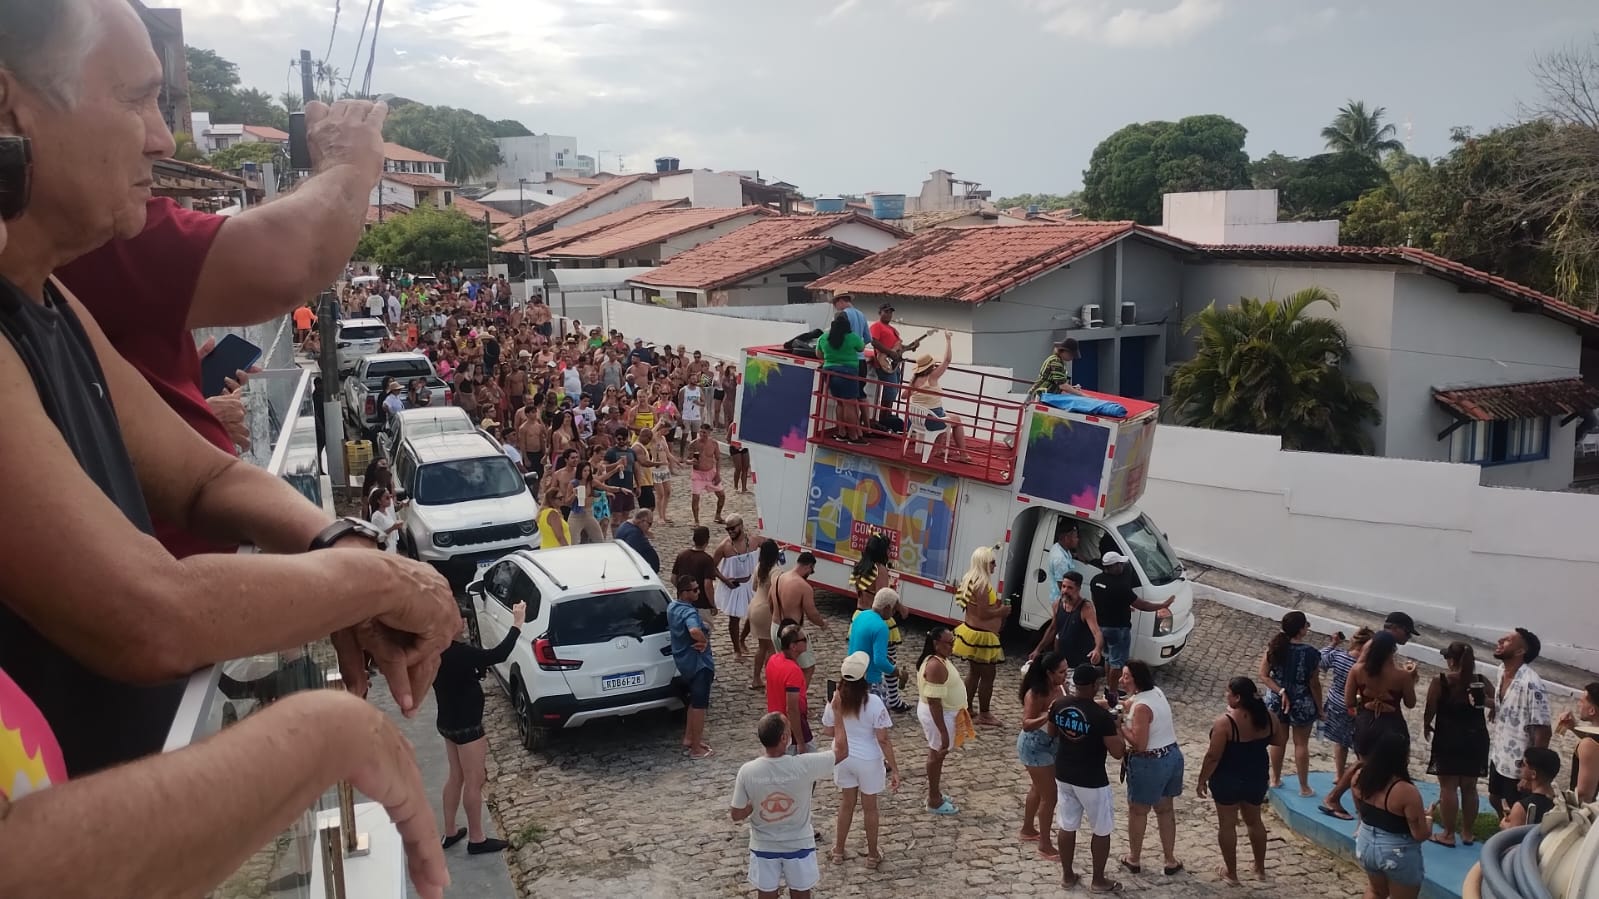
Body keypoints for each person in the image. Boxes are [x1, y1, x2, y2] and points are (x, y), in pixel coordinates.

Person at [0, 1, 458, 777]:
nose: (161, 137)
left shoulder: (49, 295)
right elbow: (148, 613)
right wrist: (374, 581)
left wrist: (337, 544)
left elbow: (202, 477)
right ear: (10, 110)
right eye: (135, 99)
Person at [432, 602, 526, 855]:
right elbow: (498, 655)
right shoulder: (462, 653)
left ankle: (450, 831)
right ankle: (477, 838)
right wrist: (517, 624)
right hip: (468, 726)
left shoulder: (435, 650)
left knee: (456, 776)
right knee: (475, 780)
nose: (464, 622)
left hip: (447, 722)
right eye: (460, 619)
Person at [729, 711, 850, 899]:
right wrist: (839, 713)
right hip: (799, 844)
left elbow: (736, 814)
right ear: (784, 738)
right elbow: (842, 751)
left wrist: (753, 804)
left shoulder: (747, 771)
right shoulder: (804, 766)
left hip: (764, 846)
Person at [1196, 677, 1284, 886]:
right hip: (1256, 776)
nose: (1225, 695)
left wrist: (1202, 780)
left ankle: (1232, 873)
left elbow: (1213, 756)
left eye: (1228, 692)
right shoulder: (1269, 718)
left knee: (1227, 825)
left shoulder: (1225, 723)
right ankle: (1260, 869)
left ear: (1237, 698)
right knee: (1255, 821)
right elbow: (1279, 740)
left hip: (1227, 779)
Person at [1048, 663, 1126, 893]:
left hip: (1064, 772)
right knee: (1101, 829)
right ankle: (1098, 880)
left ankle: (1067, 875)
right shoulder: (1101, 717)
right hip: (1092, 778)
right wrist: (1117, 727)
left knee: (1067, 825)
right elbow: (1118, 752)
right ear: (1094, 686)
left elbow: (1052, 732)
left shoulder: (1059, 705)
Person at [823, 651, 898, 869]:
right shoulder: (873, 702)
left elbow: (828, 730)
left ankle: (838, 851)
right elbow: (883, 739)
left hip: (843, 757)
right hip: (868, 760)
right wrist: (895, 769)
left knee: (846, 804)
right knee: (870, 808)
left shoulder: (835, 700)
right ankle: (872, 855)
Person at [1117, 660, 1183, 877]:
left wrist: (1119, 726)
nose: (1121, 680)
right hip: (1171, 756)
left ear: (1136, 679)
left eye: (1126, 676)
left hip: (1149, 763)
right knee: (1165, 809)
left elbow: (1139, 744)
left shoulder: (1142, 708)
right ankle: (1170, 859)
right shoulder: (1155, 693)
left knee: (1138, 811)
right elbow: (1127, 703)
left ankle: (1134, 858)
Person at [1424, 641, 1493, 847]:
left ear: (1452, 661)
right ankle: (1467, 832)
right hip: (1476, 737)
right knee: (1470, 788)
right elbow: (1498, 700)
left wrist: (1426, 724)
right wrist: (1489, 706)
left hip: (1449, 737)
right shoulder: (1480, 680)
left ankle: (1448, 833)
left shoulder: (1441, 681)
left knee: (1448, 787)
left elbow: (1430, 707)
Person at [1351, 732, 1430, 899]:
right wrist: (1429, 819)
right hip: (1396, 850)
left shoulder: (1360, 777)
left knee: (1375, 891)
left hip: (1365, 842)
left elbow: (1360, 809)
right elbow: (1420, 834)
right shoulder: (1406, 790)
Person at [1090, 551, 1173, 706]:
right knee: (1117, 663)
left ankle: (1109, 687)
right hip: (1119, 629)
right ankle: (1112, 695)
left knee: (1108, 658)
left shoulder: (1096, 581)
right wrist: (1162, 605)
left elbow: (1098, 601)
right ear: (1113, 566)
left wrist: (1121, 606)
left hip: (1103, 627)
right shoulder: (1120, 587)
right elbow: (1143, 605)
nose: (1122, 567)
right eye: (1119, 564)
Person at [1488, 627, 1551, 818]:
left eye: (1508, 640)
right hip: (1500, 755)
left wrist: (1531, 772)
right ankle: (1504, 825)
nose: (1500, 640)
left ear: (1520, 651)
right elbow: (1508, 704)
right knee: (1494, 797)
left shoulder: (1532, 685)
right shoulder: (1502, 671)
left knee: (1517, 809)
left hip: (1519, 764)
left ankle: (1513, 833)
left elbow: (1543, 731)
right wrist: (1490, 704)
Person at [1259, 610, 1322, 798]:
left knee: (1279, 741)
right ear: (1301, 629)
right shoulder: (1311, 653)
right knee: (1301, 744)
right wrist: (1320, 708)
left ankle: (1275, 779)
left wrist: (1280, 691)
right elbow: (1314, 683)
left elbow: (1264, 675)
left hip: (1277, 701)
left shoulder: (1275, 647)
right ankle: (1304, 787)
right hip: (1302, 702)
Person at [849, 534, 909, 711]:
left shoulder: (860, 567)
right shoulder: (880, 569)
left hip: (860, 614)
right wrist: (900, 607)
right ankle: (893, 699)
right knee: (888, 657)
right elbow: (884, 596)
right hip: (877, 616)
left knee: (861, 654)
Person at [1317, 626, 1372, 817]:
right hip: (1357, 708)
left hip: (1335, 702)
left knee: (1340, 742)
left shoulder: (1339, 656)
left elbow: (1321, 660)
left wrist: (1332, 644)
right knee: (1359, 745)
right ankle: (1356, 778)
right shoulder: (1367, 666)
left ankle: (1339, 774)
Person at [1017, 651, 1067, 861]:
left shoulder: (1061, 688)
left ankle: (1028, 828)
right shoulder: (1035, 694)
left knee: (1038, 788)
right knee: (1050, 796)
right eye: (1061, 672)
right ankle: (1044, 844)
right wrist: (1048, 715)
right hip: (1035, 746)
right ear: (1049, 673)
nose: (1065, 675)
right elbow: (1026, 724)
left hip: (1052, 743)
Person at [917, 626, 970, 815]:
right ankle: (933, 799)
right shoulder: (935, 666)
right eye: (948, 643)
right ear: (936, 644)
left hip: (945, 713)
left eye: (953, 642)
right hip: (939, 716)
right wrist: (943, 732)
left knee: (938, 754)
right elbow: (934, 702)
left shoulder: (940, 660)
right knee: (937, 754)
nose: (952, 646)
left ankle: (936, 793)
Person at [952, 545, 1007, 727]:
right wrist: (1002, 611)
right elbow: (983, 613)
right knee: (988, 675)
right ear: (983, 563)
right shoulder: (982, 585)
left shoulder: (970, 579)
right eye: (992, 562)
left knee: (974, 673)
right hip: (982, 636)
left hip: (972, 632)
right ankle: (984, 713)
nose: (995, 565)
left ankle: (967, 708)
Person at [904, 332, 975, 462]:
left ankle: (940, 449)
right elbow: (947, 360)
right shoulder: (932, 377)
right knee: (956, 420)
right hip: (930, 421)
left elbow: (904, 396)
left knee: (942, 414)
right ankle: (963, 455)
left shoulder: (914, 381)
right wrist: (948, 340)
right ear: (930, 366)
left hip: (915, 420)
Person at [667, 575, 715, 760]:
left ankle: (689, 738)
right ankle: (696, 748)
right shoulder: (689, 612)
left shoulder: (672, 607)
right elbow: (694, 630)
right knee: (700, 706)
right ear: (684, 593)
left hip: (684, 663)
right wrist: (704, 640)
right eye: (695, 590)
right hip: (698, 664)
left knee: (693, 702)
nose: (698, 592)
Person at [771, 551, 829, 689]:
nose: (810, 573)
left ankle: (782, 693)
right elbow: (812, 613)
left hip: (775, 627)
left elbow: (770, 602)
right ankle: (798, 697)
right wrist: (822, 624)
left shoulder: (778, 578)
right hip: (792, 633)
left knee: (784, 665)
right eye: (811, 571)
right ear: (808, 566)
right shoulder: (804, 587)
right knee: (808, 668)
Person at [1031, 571, 1103, 669]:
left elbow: (1096, 632)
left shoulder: (1086, 608)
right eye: (1063, 586)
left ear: (1078, 589)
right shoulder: (1057, 604)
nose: (1065, 591)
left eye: (1070, 588)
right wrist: (1038, 650)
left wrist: (1097, 649)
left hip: (1080, 661)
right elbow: (1053, 629)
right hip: (1063, 660)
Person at [712, 515, 759, 660]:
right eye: (727, 529)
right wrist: (725, 580)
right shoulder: (724, 546)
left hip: (750, 583)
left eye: (732, 528)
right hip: (734, 586)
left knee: (753, 615)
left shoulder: (753, 541)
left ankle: (742, 639)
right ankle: (736, 649)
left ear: (741, 525)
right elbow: (711, 567)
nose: (730, 531)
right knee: (734, 618)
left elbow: (769, 546)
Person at [847, 587, 901, 710]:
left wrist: (884, 655)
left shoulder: (860, 616)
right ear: (887, 608)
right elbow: (879, 662)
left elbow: (862, 644)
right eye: (894, 610)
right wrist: (896, 672)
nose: (894, 614)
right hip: (870, 679)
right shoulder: (881, 627)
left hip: (853, 673)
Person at [818, 312, 867, 443]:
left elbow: (819, 354)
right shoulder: (852, 337)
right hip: (847, 373)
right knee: (849, 405)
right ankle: (853, 437)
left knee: (840, 403)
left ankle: (841, 433)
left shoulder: (823, 337)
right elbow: (861, 348)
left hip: (829, 372)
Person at [765, 625, 813, 753]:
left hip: (775, 724)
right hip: (791, 729)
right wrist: (800, 742)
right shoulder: (793, 670)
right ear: (793, 646)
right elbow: (792, 709)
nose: (807, 641)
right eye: (804, 639)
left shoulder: (773, 660)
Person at [745, 539, 782, 690]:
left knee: (762, 647)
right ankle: (770, 681)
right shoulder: (776, 571)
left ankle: (756, 678)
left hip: (754, 605)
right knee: (772, 648)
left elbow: (754, 586)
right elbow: (776, 592)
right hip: (766, 610)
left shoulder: (759, 567)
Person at [1555, 682, 1599, 803]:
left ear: (1592, 710)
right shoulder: (1593, 741)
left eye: (1582, 701)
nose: (1579, 705)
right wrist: (1574, 728)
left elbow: (1584, 795)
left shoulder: (1589, 744)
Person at [1502, 747, 1560, 830]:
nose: (1519, 766)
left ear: (1533, 774)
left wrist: (1505, 826)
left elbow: (1512, 836)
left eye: (1523, 764)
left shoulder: (1521, 807)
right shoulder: (1561, 801)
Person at [673, 525, 719, 612]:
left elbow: (673, 578)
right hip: (701, 606)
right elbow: (708, 585)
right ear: (707, 540)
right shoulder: (707, 559)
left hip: (683, 605)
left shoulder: (682, 555)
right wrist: (713, 604)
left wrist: (685, 591)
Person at [688, 428, 726, 525]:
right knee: (695, 497)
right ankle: (696, 520)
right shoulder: (693, 444)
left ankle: (718, 515)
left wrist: (718, 474)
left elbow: (718, 459)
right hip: (698, 474)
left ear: (709, 433)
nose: (702, 434)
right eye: (700, 432)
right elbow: (687, 459)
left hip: (710, 473)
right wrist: (691, 461)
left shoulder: (714, 443)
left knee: (721, 495)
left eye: (704, 432)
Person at [615, 508, 660, 573]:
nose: (649, 527)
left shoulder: (625, 524)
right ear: (642, 521)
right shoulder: (635, 534)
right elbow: (633, 555)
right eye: (650, 524)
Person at [369, 486, 403, 553]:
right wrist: (392, 528)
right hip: (385, 551)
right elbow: (378, 537)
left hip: (392, 548)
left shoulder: (386, 511)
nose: (390, 499)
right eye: (387, 498)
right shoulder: (376, 516)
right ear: (379, 501)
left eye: (390, 497)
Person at [537, 484, 571, 548]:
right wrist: (568, 549)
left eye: (563, 497)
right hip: (556, 549)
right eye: (560, 498)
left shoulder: (543, 512)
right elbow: (560, 537)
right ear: (552, 500)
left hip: (547, 548)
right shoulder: (552, 514)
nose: (562, 500)